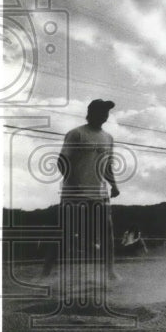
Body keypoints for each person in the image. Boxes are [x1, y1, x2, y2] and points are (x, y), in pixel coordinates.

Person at [41, 99, 120, 280]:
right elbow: (62, 161)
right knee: (63, 232)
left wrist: (114, 185)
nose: (105, 115)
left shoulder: (108, 138)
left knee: (107, 231)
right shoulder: (77, 134)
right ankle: (45, 272)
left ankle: (110, 272)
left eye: (107, 112)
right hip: (74, 193)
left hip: (99, 193)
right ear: (91, 112)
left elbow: (107, 165)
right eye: (101, 111)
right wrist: (74, 184)